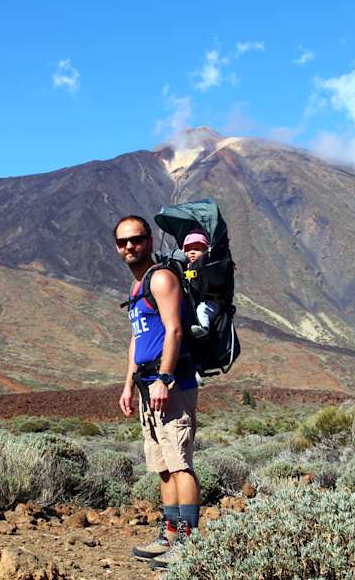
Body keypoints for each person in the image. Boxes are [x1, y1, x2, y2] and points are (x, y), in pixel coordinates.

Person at [114, 215, 201, 571]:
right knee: (162, 466)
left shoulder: (162, 279)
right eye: (122, 242)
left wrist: (165, 378)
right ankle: (169, 534)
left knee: (179, 462)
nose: (129, 247)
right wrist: (128, 384)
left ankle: (188, 542)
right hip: (148, 386)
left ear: (149, 240)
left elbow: (175, 330)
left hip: (172, 383)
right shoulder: (136, 289)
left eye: (135, 239)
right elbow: (137, 339)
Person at [182, 231, 220, 338]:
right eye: (188, 250)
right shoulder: (184, 267)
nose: (192, 252)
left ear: (205, 251)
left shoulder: (206, 266)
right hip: (193, 301)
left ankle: (204, 329)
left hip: (210, 302)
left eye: (197, 249)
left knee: (202, 310)